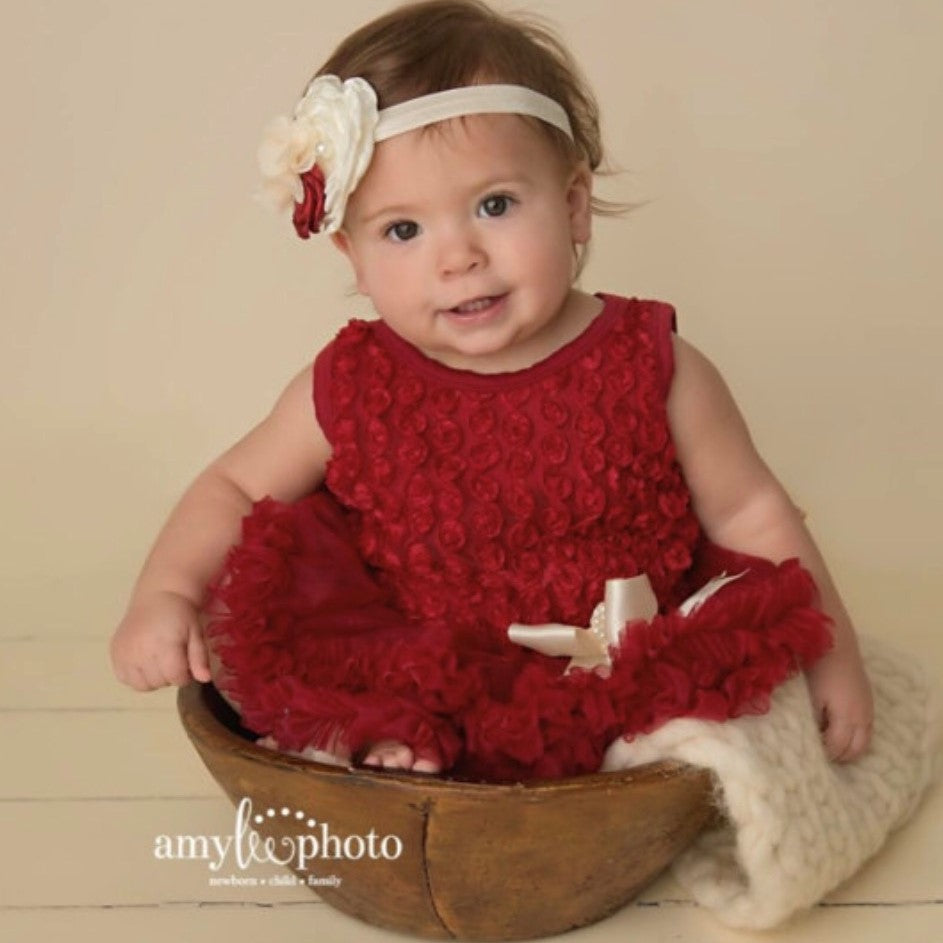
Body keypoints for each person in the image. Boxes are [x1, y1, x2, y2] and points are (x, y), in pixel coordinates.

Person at [110, 0, 873, 781]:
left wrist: (833, 659)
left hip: (624, 661)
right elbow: (235, 484)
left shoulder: (655, 365)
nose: (458, 257)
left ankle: (613, 766)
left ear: (572, 204)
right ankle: (387, 739)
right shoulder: (350, 383)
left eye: (494, 205)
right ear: (352, 253)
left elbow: (753, 512)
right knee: (293, 641)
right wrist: (164, 591)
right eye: (403, 230)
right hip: (415, 655)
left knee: (721, 703)